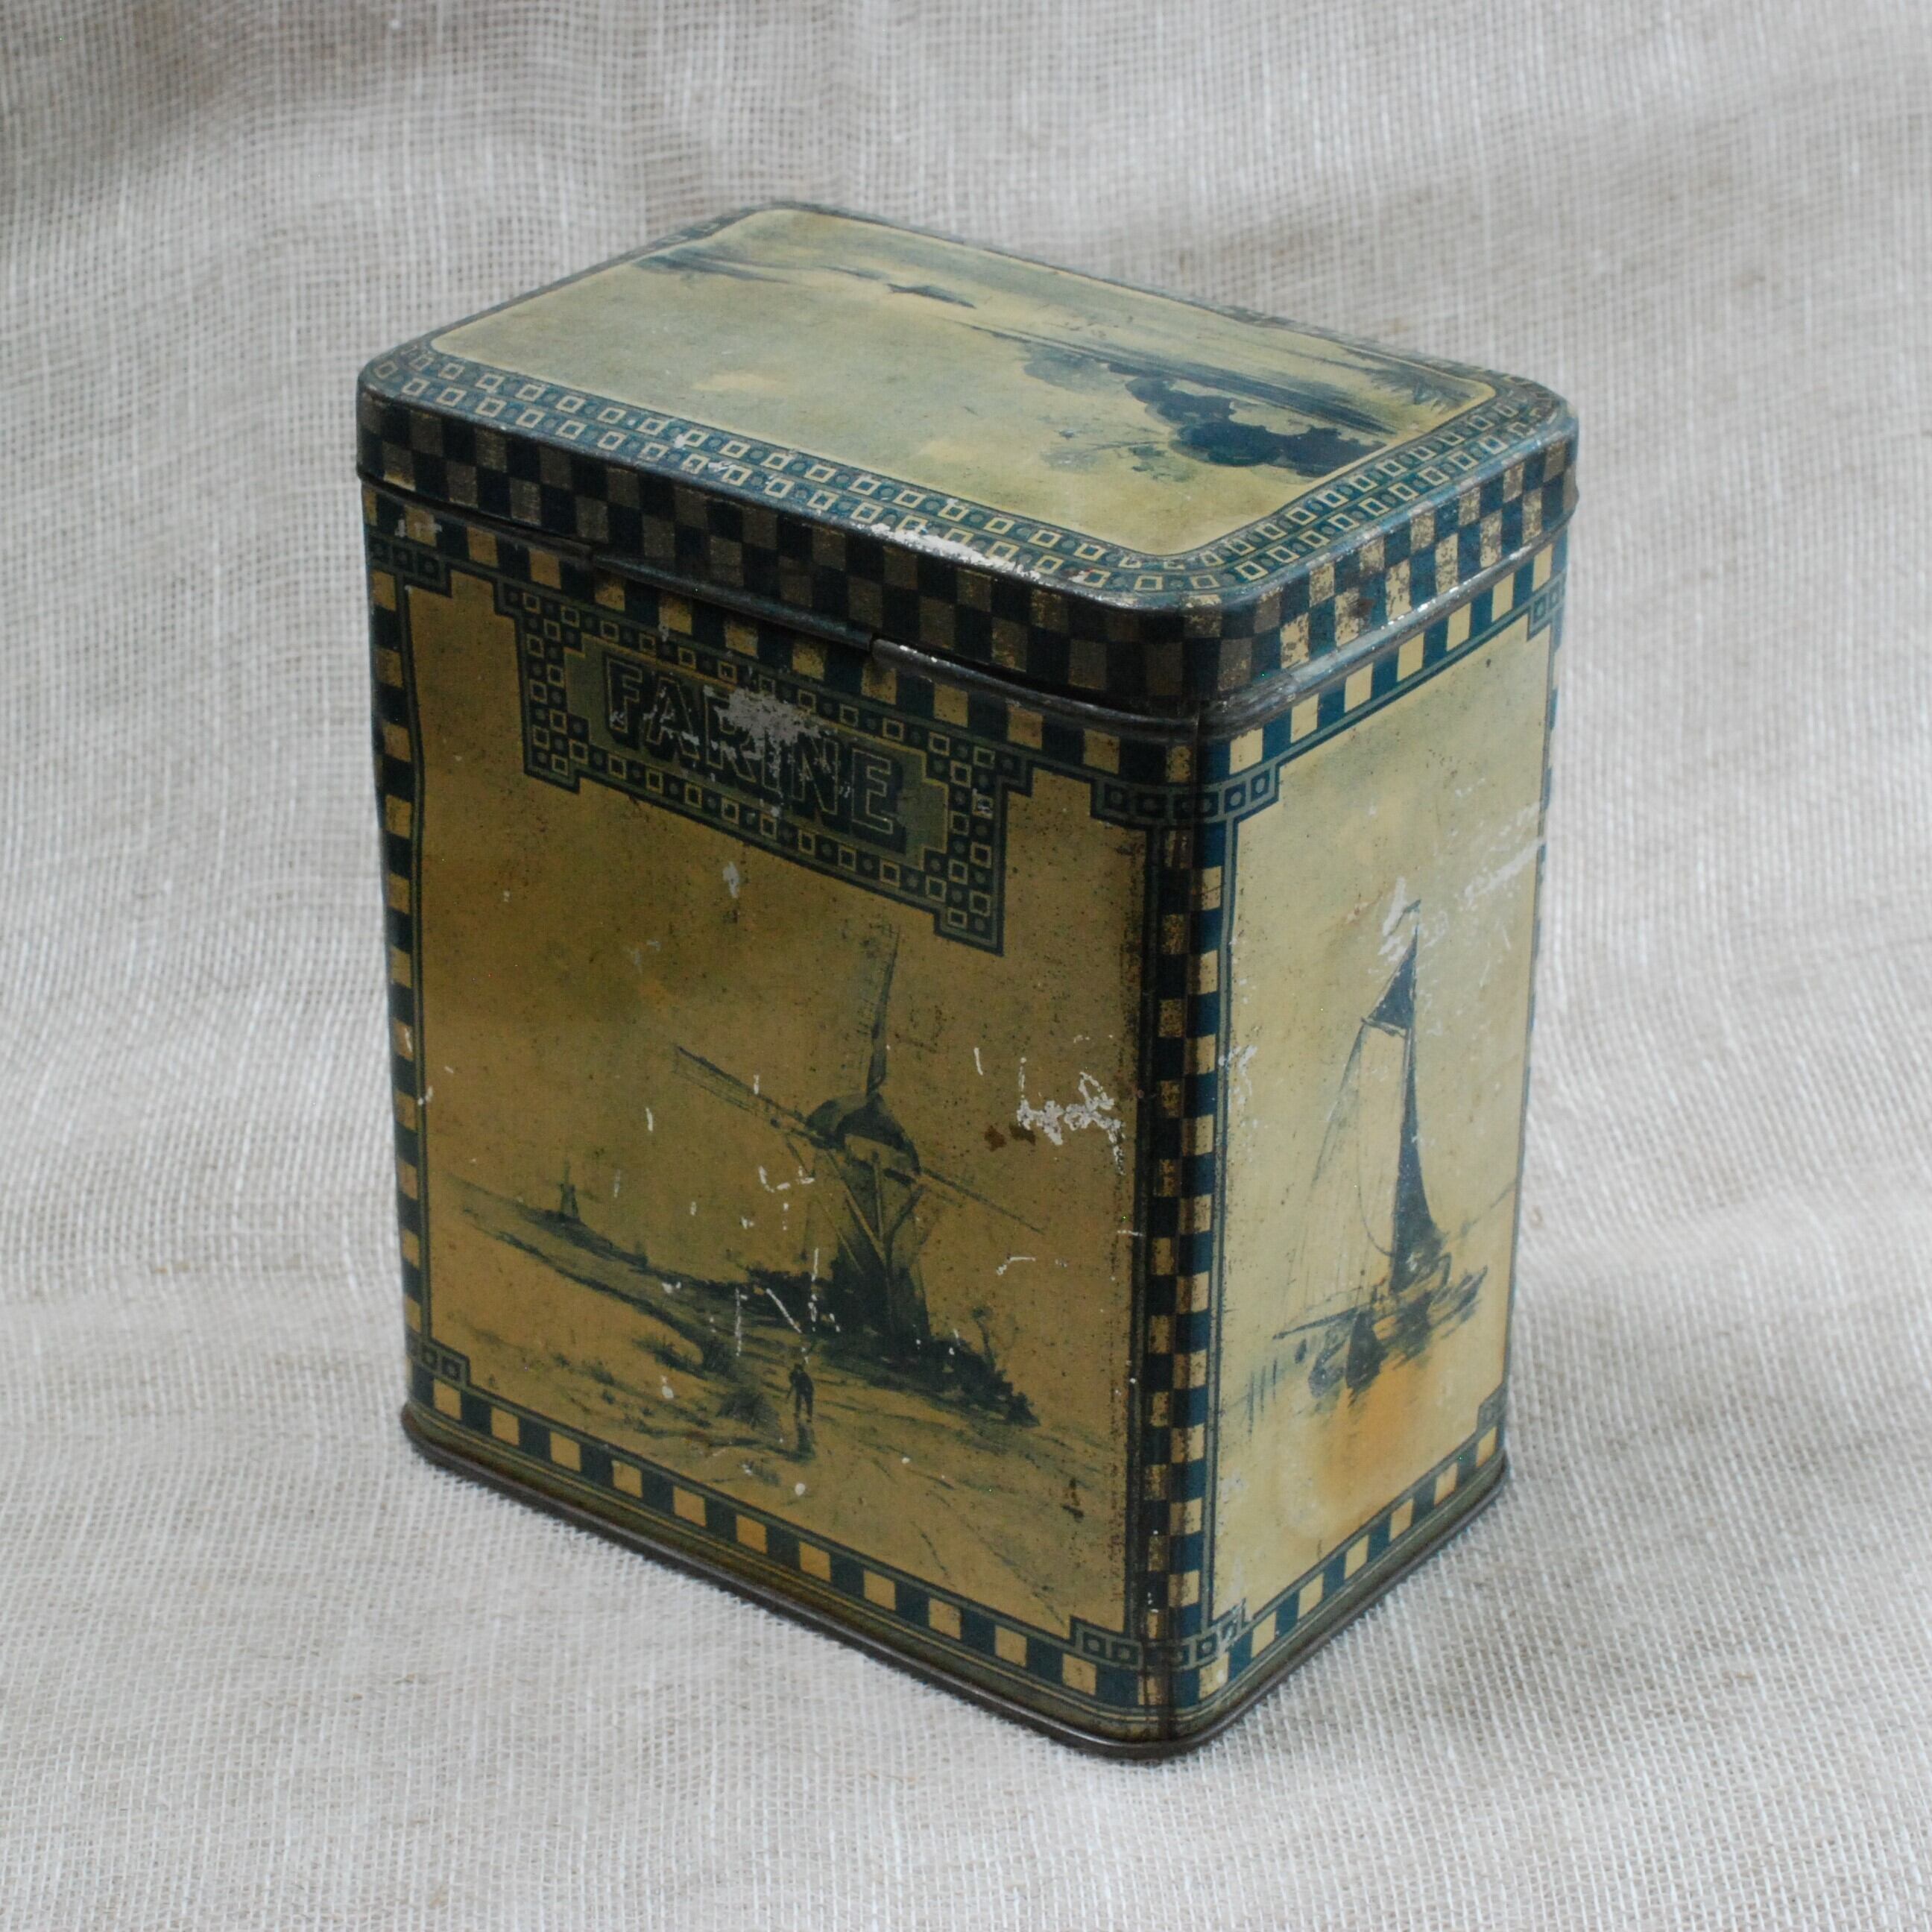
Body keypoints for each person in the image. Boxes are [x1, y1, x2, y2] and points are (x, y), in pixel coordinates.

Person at [788, 1357, 815, 1434]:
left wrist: (807, 1390)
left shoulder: (805, 1376)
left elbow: (809, 1385)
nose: (797, 1370)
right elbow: (790, 1378)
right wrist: (793, 1382)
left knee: (808, 1403)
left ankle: (809, 1417)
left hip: (807, 1390)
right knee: (798, 1401)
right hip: (800, 1389)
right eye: (796, 1369)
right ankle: (797, 1413)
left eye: (798, 1369)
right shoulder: (794, 1374)